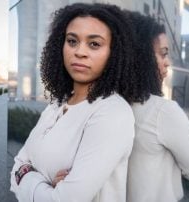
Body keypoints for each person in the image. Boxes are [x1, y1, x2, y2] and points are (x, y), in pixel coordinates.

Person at [10, 3, 144, 202]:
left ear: (114, 53)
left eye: (94, 44)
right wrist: (46, 186)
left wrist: (27, 176)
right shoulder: (56, 104)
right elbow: (17, 165)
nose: (80, 52)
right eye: (72, 41)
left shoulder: (112, 112)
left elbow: (63, 199)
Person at [125, 11, 189, 202]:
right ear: (141, 56)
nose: (168, 62)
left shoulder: (110, 105)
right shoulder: (163, 111)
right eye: (163, 53)